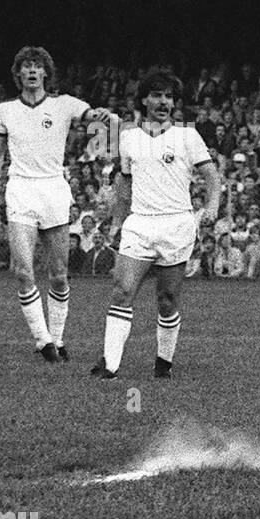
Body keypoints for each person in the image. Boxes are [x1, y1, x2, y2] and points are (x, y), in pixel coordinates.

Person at [0, 46, 111, 363]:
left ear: (46, 73)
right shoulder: (5, 110)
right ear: (19, 74)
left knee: (59, 275)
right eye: (26, 66)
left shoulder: (63, 104)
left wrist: (101, 117)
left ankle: (59, 338)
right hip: (21, 190)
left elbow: (92, 115)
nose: (32, 71)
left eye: (37, 66)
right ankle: (43, 342)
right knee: (23, 272)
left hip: (53, 189)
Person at [92, 71, 222, 379]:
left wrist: (212, 206)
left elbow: (212, 177)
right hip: (140, 224)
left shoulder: (187, 136)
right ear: (144, 100)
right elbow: (124, 185)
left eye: (168, 97)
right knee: (122, 290)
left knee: (167, 299)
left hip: (176, 224)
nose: (163, 102)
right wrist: (118, 222)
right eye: (157, 95)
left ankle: (163, 362)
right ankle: (109, 364)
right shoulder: (128, 137)